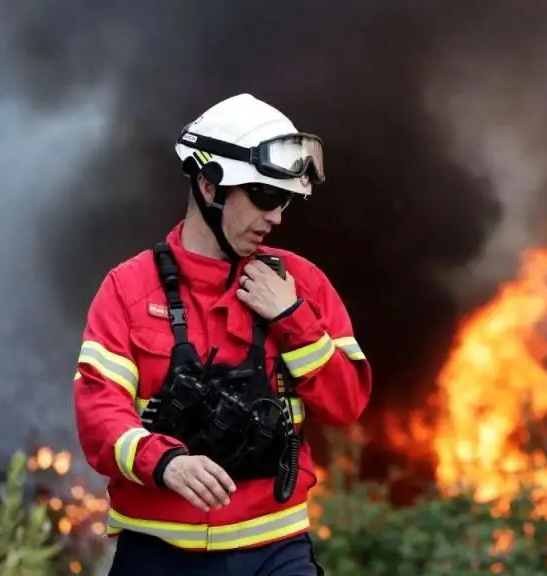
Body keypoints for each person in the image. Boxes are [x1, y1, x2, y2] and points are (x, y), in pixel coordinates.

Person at [72, 93, 373, 575]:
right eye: (264, 196)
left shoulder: (303, 285)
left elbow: (346, 405)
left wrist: (292, 316)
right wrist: (164, 462)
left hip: (277, 551)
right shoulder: (127, 289)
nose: (276, 217)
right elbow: (98, 411)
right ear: (210, 186)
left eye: (285, 201)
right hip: (156, 554)